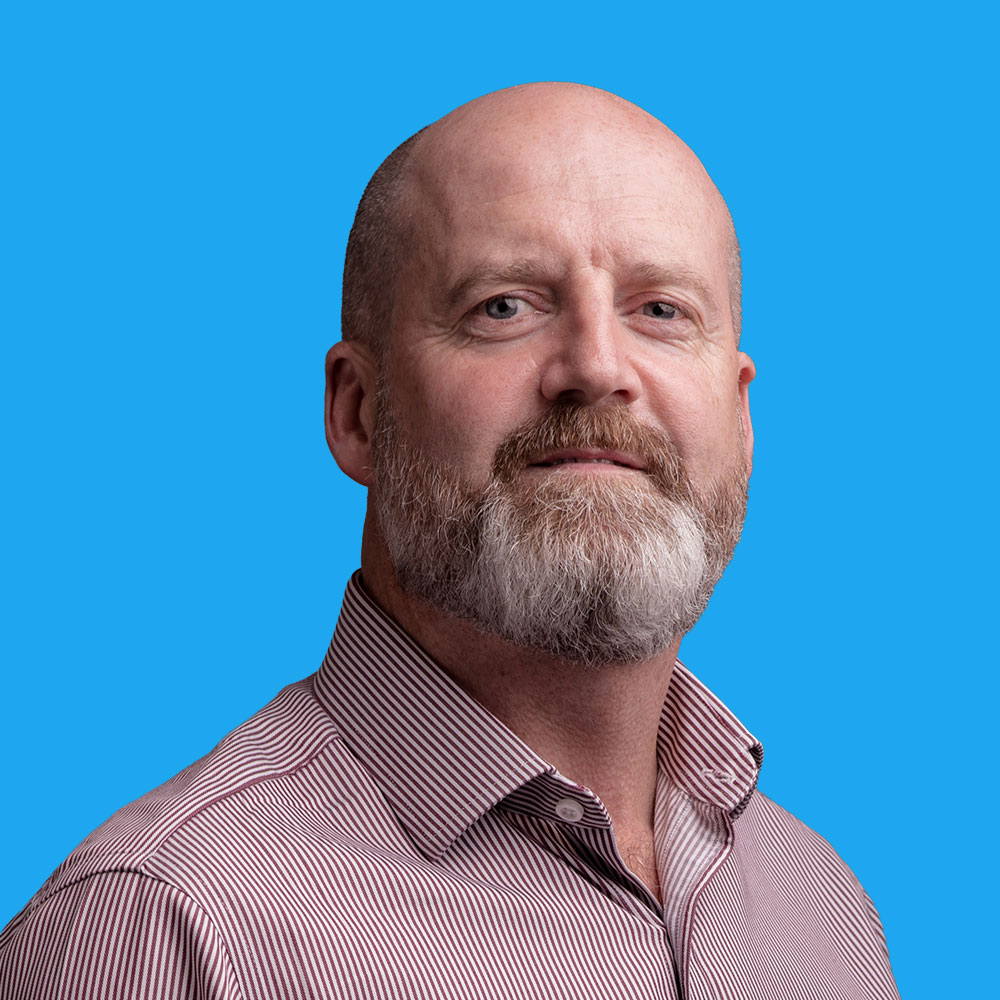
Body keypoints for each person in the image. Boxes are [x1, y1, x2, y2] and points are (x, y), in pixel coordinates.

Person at [0, 83, 899, 999]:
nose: (596, 366)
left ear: (742, 423)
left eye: (661, 311)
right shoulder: (170, 923)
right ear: (358, 413)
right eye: (504, 307)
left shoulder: (817, 903)